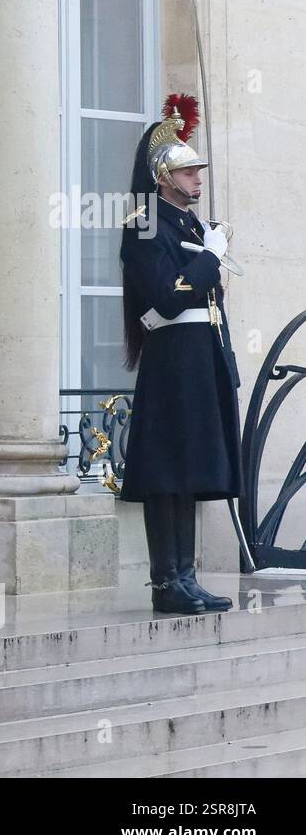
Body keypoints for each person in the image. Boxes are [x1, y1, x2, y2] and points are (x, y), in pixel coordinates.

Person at [119, 94, 237, 615]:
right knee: (168, 471)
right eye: (189, 172)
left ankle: (187, 576)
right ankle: (166, 582)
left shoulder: (189, 226)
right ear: (165, 177)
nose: (198, 179)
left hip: (198, 357)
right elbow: (168, 297)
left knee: (188, 470)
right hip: (172, 360)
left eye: (197, 171)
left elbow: (208, 299)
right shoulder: (145, 224)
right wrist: (211, 260)